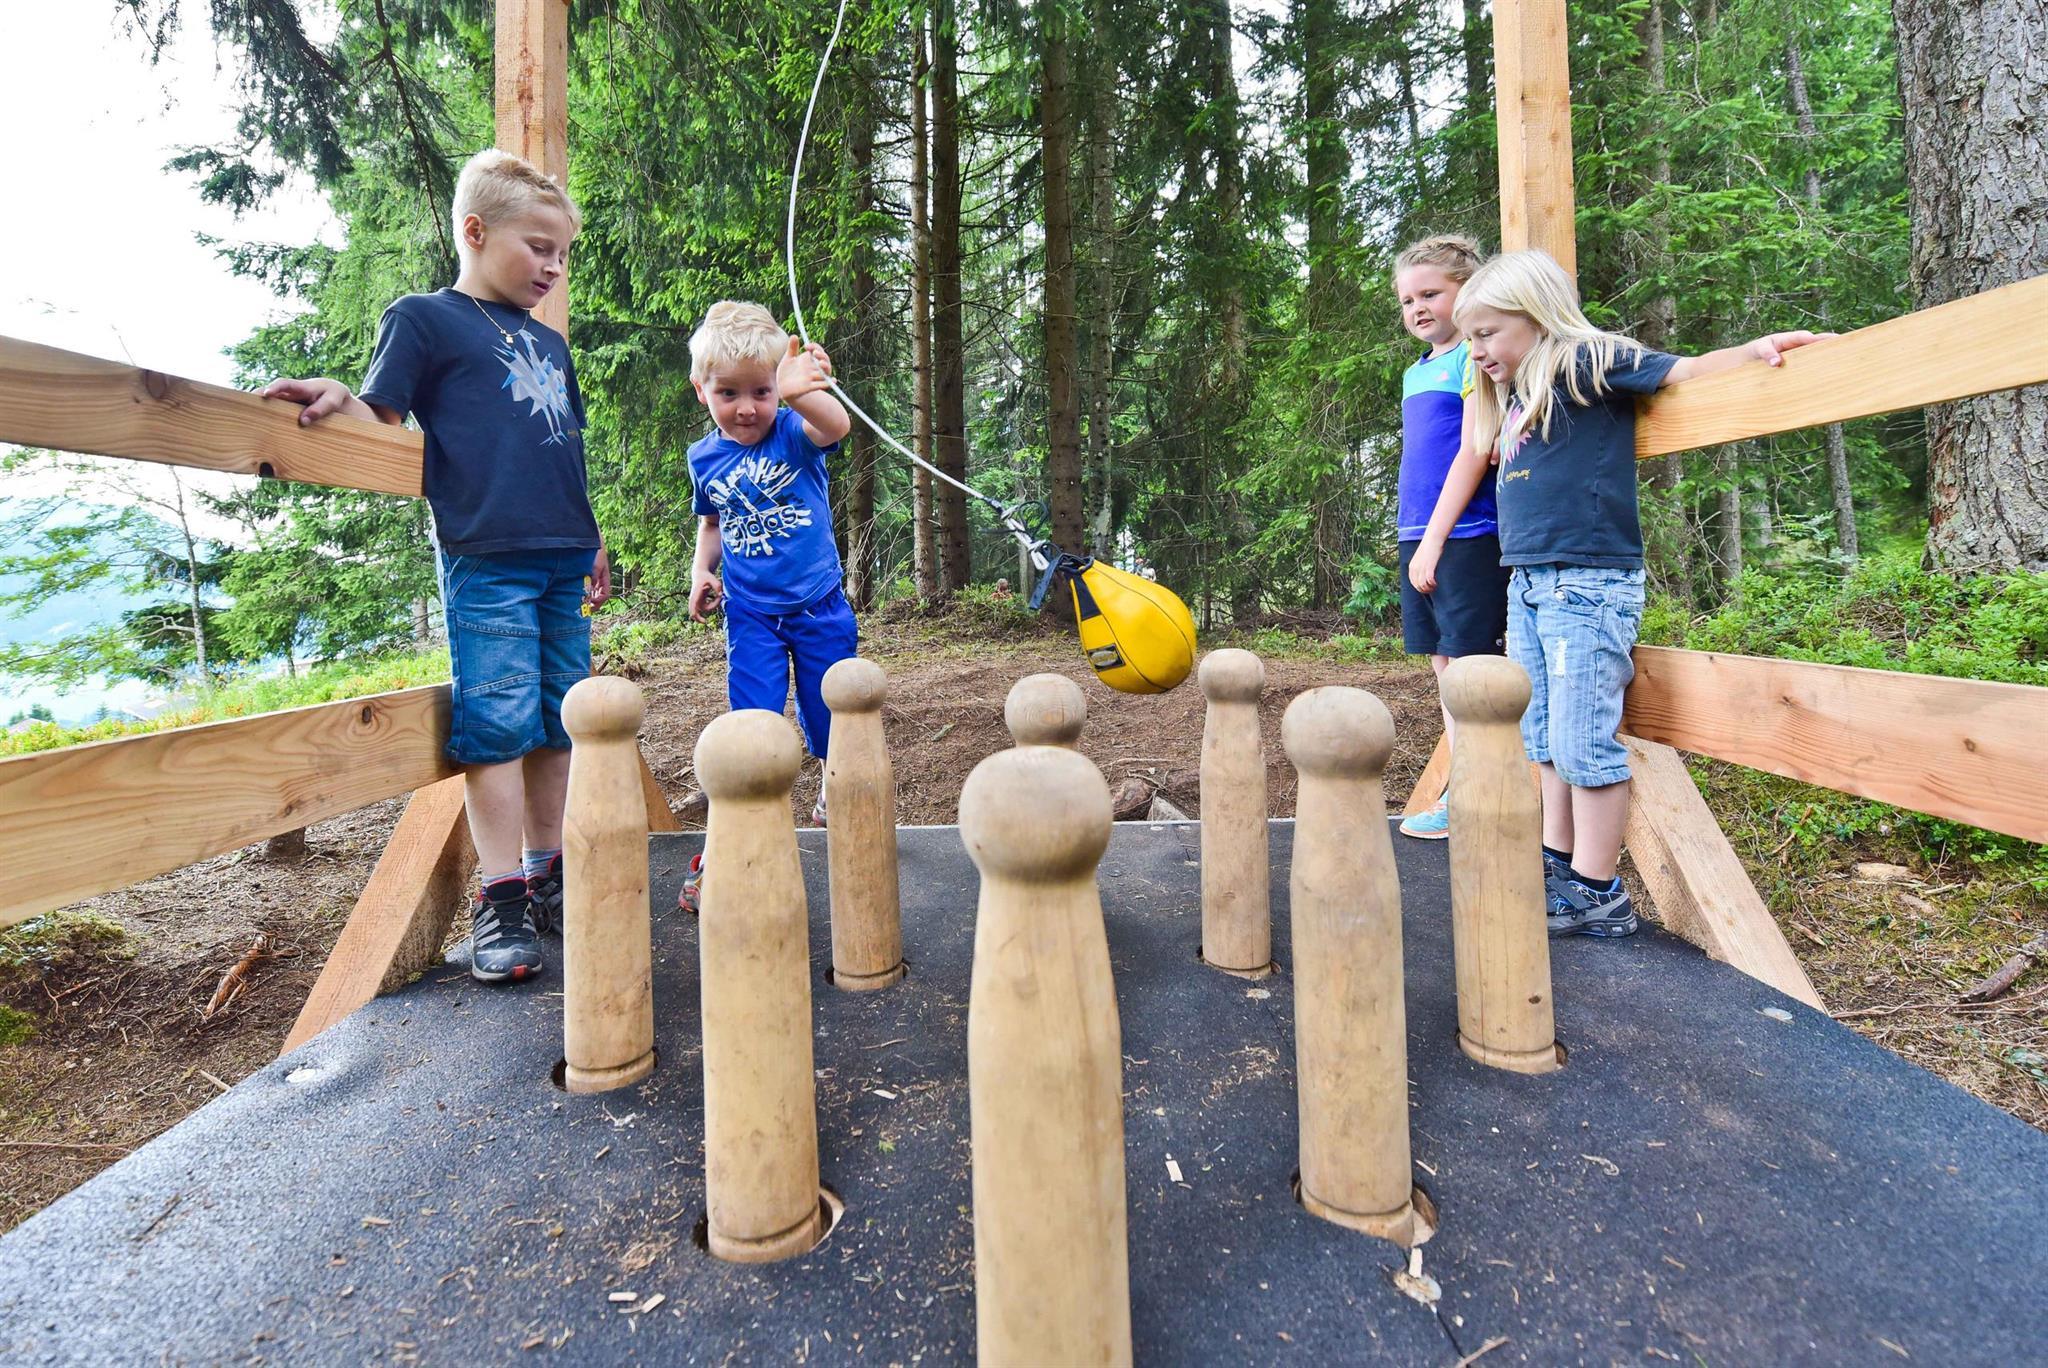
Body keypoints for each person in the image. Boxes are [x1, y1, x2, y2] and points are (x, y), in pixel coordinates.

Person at [260, 149, 609, 983]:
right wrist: (343, 398)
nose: (552, 268)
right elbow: (382, 413)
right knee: (496, 726)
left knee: (561, 721)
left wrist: (592, 535)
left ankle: (548, 870)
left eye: (562, 255)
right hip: (486, 557)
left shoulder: (549, 345)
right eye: (537, 248)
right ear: (475, 231)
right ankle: (501, 899)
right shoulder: (424, 318)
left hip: (563, 555)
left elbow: (567, 451)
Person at [1409, 249, 1825, 938]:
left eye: (1486, 333)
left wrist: (1755, 351)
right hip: (1532, 580)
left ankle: (1599, 889)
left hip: (1586, 580)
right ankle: (1559, 862)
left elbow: (1680, 369)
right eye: (1471, 335)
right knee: (1541, 735)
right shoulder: (1512, 393)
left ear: (1534, 315)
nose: (1474, 348)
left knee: (1580, 737)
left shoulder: (1580, 361)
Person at [677, 301, 855, 913]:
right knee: (749, 723)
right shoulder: (704, 458)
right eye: (730, 393)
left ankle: (842, 800)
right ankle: (733, 843)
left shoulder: (790, 431)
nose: (748, 407)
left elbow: (834, 427)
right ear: (702, 391)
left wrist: (802, 392)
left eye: (762, 391)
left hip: (817, 604)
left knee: (830, 713)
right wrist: (704, 569)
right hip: (750, 610)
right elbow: (712, 520)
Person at [1388, 235, 1507, 841]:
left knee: (1469, 666)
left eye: (1431, 292)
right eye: (1408, 299)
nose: (1418, 308)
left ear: (1468, 290)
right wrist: (1417, 537)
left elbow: (1475, 449)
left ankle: (1481, 795)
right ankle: (1463, 788)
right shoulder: (1418, 369)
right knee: (1441, 663)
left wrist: (1435, 539)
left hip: (1465, 533)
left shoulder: (1473, 358)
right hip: (1419, 531)